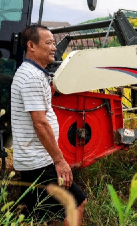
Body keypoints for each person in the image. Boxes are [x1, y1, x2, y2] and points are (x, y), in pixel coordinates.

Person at [11, 24, 87, 224]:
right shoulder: (31, 77)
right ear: (31, 46)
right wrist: (60, 161)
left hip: (33, 161)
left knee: (36, 216)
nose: (54, 47)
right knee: (77, 203)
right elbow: (40, 123)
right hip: (39, 163)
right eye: (49, 43)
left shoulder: (32, 73)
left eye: (54, 42)